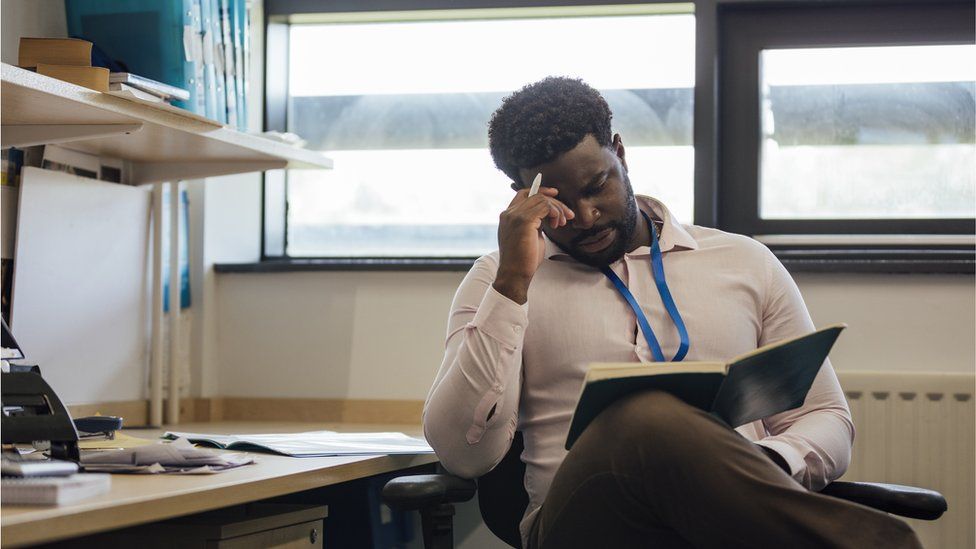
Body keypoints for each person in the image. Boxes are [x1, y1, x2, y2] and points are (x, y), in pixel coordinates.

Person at [423, 77, 921, 548]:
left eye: (598, 185)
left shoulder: (744, 262)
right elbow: (463, 455)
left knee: (663, 428)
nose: (587, 215)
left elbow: (826, 417)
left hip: (722, 524)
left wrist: (759, 463)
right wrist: (513, 284)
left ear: (619, 152)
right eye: (560, 203)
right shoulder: (501, 280)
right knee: (640, 415)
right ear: (520, 196)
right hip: (580, 523)